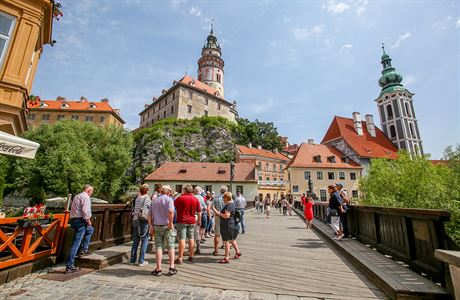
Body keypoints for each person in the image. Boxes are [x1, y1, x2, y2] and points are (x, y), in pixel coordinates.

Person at [66, 184, 95, 273]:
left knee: (90, 230)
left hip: (73, 219)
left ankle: (84, 249)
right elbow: (86, 210)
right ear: (88, 190)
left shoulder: (77, 196)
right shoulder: (86, 197)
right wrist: (88, 220)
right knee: (76, 242)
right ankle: (69, 266)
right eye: (92, 192)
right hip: (80, 220)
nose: (92, 194)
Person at [148, 185, 176, 276]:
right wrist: (170, 223)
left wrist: (151, 226)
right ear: (168, 192)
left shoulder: (154, 201)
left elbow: (150, 216)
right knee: (170, 246)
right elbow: (171, 212)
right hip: (167, 226)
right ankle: (171, 267)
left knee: (159, 247)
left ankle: (158, 269)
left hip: (157, 225)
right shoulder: (169, 200)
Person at [174, 184, 201, 264]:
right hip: (192, 221)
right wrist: (199, 220)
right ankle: (191, 256)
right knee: (191, 238)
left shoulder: (180, 198)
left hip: (182, 221)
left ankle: (180, 258)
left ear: (185, 190)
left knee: (182, 239)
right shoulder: (195, 199)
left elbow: (173, 207)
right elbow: (199, 211)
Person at [212, 192, 241, 263]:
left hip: (227, 225)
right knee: (232, 239)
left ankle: (226, 257)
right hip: (231, 224)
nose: (223, 199)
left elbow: (226, 215)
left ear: (226, 198)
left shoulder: (229, 205)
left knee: (226, 241)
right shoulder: (232, 203)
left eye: (223, 198)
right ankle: (238, 252)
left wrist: (218, 213)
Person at [130, 184, 152, 266]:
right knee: (144, 240)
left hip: (135, 220)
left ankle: (132, 260)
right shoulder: (147, 199)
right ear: (147, 190)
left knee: (136, 240)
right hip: (143, 221)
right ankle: (141, 260)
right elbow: (149, 211)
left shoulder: (137, 198)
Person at [212, 186, 226, 256]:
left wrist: (216, 212)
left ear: (220, 190)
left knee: (217, 234)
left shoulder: (216, 198)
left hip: (217, 217)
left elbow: (212, 207)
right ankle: (226, 250)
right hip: (226, 217)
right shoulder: (228, 198)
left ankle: (216, 250)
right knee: (226, 234)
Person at [193, 186, 206, 254]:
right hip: (200, 215)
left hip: (193, 215)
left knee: (192, 234)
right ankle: (198, 247)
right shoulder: (201, 198)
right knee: (197, 232)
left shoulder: (193, 197)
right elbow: (205, 207)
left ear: (195, 191)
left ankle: (192, 248)